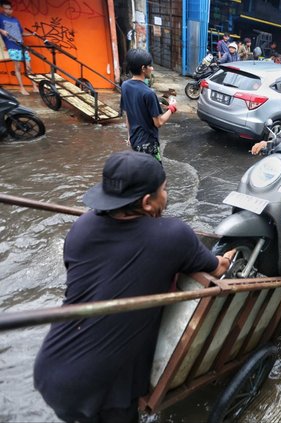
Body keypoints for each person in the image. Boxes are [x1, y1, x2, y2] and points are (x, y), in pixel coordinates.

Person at [34, 151, 233, 422]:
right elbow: (218, 268)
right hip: (103, 387)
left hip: (51, 369)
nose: (167, 195)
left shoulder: (81, 227)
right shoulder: (173, 235)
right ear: (147, 202)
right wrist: (228, 256)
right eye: (164, 189)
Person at [120, 48, 177, 162]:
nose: (152, 68)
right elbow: (158, 122)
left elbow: (128, 114)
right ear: (143, 68)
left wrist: (129, 136)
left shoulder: (125, 86)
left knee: (142, 174)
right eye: (150, 66)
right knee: (156, 177)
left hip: (135, 141)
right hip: (148, 144)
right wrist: (172, 108)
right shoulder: (149, 93)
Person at [0, 1, 37, 95]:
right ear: (2, 8)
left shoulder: (15, 19)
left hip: (21, 45)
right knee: (18, 67)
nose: (8, 10)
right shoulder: (0, 17)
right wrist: (1, 30)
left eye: (10, 9)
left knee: (29, 67)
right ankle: (21, 88)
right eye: (6, 8)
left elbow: (21, 33)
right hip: (11, 45)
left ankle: (34, 86)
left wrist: (31, 34)